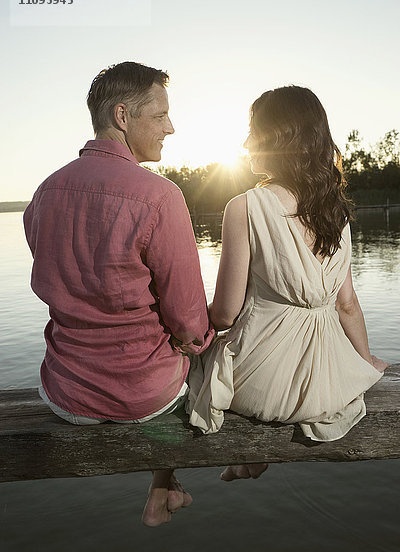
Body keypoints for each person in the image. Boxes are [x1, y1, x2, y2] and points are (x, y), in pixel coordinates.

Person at [23, 61, 214, 526]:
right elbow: (189, 322)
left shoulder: (44, 192)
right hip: (143, 399)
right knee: (206, 352)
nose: (171, 126)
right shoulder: (161, 196)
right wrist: (206, 342)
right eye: (161, 115)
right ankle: (166, 484)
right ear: (124, 117)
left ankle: (163, 489)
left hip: (63, 395)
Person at [187, 85, 389, 481]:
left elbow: (225, 313)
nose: (245, 143)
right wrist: (362, 364)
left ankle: (234, 461)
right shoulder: (337, 213)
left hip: (263, 382)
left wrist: (183, 321)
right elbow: (346, 305)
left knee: (194, 364)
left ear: (279, 138)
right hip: (327, 382)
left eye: (252, 131)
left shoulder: (245, 206)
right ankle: (249, 459)